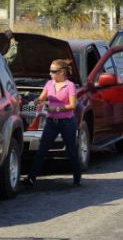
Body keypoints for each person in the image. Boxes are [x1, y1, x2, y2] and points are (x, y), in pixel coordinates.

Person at [23, 58, 81, 187]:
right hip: (51, 122)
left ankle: (77, 178)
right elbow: (42, 97)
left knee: (71, 151)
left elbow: (73, 105)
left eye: (53, 71)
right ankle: (31, 178)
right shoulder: (49, 83)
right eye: (50, 71)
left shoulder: (69, 85)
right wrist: (37, 101)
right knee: (41, 150)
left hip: (67, 122)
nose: (50, 73)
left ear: (61, 72)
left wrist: (57, 108)